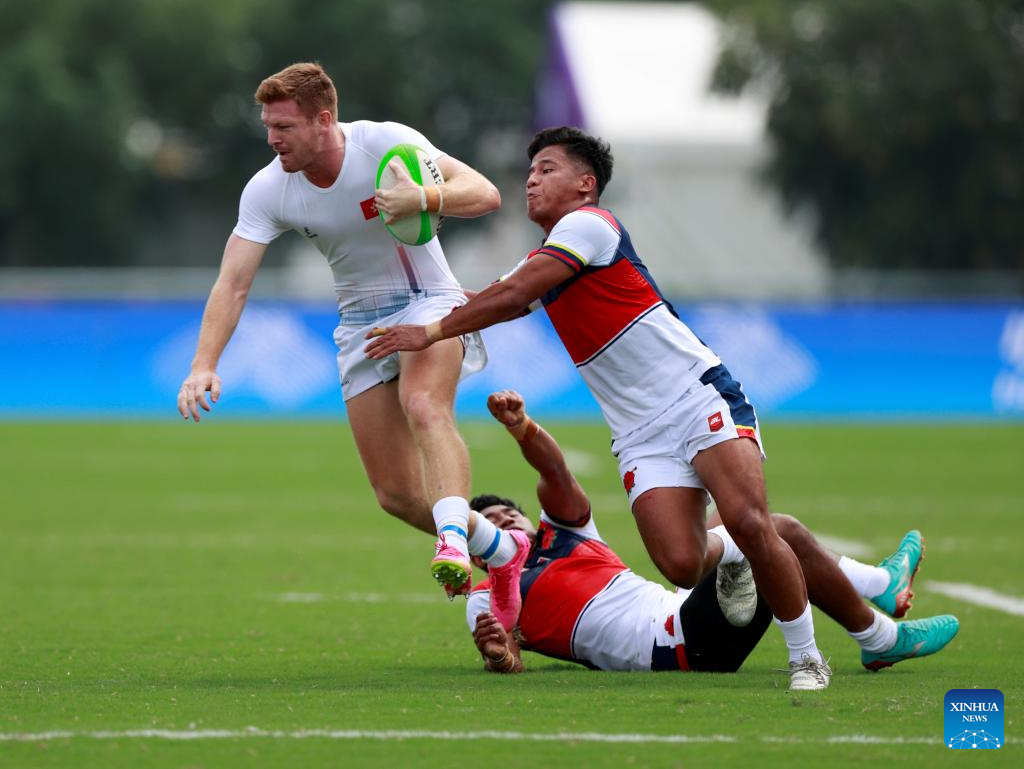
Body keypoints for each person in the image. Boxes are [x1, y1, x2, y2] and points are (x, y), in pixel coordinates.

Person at [365, 126, 830, 688]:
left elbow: (511, 297)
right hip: (639, 433)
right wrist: (406, 303)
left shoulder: (590, 226)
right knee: (681, 564)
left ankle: (806, 657)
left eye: (547, 169)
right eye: (530, 171)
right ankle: (735, 558)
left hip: (694, 394)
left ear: (586, 185)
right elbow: (487, 298)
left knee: (751, 521)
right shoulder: (543, 259)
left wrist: (430, 331)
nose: (532, 180)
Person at [176, 62, 525, 598]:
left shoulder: (385, 145)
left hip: (428, 300)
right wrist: (204, 364)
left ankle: (454, 542)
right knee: (396, 494)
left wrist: (424, 198)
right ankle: (504, 550)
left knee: (423, 405)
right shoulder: (268, 188)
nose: (272, 140)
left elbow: (484, 193)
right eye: (267, 127)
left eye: (283, 127)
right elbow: (233, 283)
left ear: (323, 120)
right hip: (360, 323)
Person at [466, 391, 960, 678]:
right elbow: (506, 654)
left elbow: (554, 472)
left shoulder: (566, 534)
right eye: (487, 523)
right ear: (478, 555)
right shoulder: (488, 594)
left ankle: (880, 598)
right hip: (677, 648)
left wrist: (523, 427)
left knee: (738, 520)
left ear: (527, 519)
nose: (502, 521)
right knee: (772, 531)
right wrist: (499, 657)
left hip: (680, 609)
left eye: (507, 513)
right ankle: (879, 622)